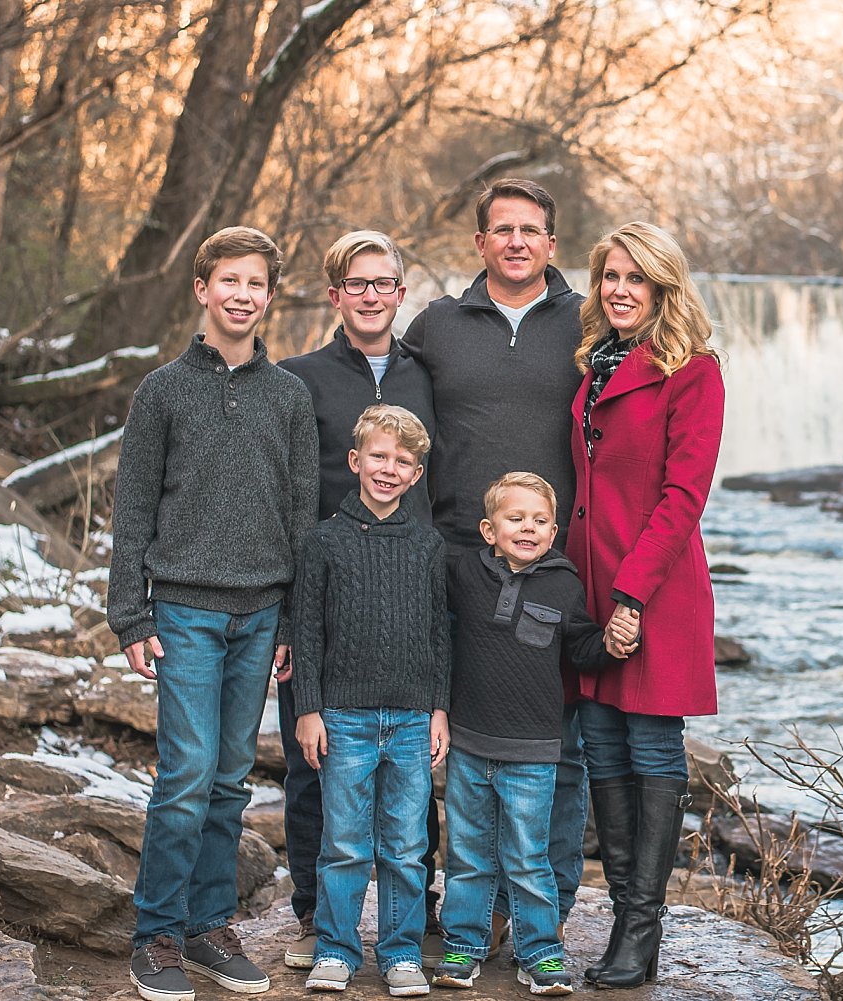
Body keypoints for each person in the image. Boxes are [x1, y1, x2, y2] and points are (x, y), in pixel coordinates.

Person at [108, 225, 318, 1001]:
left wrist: (295, 621)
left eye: (255, 283)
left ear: (268, 296)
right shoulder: (162, 390)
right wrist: (130, 614)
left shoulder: (289, 395)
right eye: (227, 280)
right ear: (202, 288)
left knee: (230, 777)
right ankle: (156, 933)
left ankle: (207, 925)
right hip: (186, 610)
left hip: (260, 615)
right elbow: (132, 510)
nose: (241, 294)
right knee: (188, 773)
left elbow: (301, 515)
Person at [402, 178, 589, 949]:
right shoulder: (437, 326)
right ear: (478, 243)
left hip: (555, 565)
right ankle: (455, 906)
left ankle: (544, 908)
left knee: (559, 743)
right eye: (502, 229)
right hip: (453, 563)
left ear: (552, 243)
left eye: (531, 230)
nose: (516, 241)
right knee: (446, 737)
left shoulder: (585, 321)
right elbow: (396, 426)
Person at [564, 222, 725, 989]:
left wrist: (630, 596)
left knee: (652, 750)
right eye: (610, 276)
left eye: (637, 278)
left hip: (652, 590)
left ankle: (640, 927)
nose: (620, 289)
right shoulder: (593, 364)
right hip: (589, 589)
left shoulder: (692, 372)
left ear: (664, 289)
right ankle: (629, 920)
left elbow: (683, 495)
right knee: (600, 744)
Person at [277, 231, 437, 970]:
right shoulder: (298, 377)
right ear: (335, 292)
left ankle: (415, 922)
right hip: (322, 600)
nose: (371, 295)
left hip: (408, 598)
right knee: (314, 764)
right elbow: (282, 496)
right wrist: (286, 614)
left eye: (384, 283)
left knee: (410, 784)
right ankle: (317, 916)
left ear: (402, 294)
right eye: (356, 282)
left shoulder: (428, 375)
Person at [433, 472, 633, 996]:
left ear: (554, 530)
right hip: (471, 743)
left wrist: (611, 644)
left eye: (540, 521)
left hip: (535, 750)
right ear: (488, 529)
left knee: (527, 856)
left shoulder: (564, 584)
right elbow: (435, 632)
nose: (529, 527)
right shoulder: (464, 575)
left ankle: (540, 953)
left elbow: (582, 646)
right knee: (469, 855)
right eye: (515, 518)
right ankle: (464, 946)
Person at [291, 405, 450, 997]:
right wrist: (309, 710)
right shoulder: (323, 541)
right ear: (356, 461)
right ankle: (335, 950)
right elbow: (307, 631)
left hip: (411, 719)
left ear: (416, 476)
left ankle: (401, 952)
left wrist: (439, 708)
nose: (389, 469)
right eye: (379, 457)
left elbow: (440, 633)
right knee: (344, 843)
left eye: (403, 462)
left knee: (408, 846)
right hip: (344, 718)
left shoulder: (428, 545)